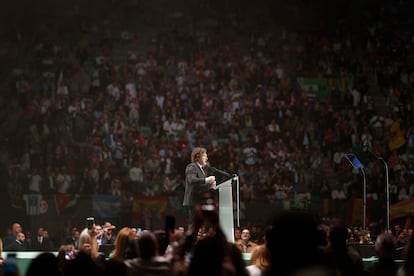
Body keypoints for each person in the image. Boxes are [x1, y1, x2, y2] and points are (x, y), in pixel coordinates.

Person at [182, 147, 216, 230]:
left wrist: (210, 185)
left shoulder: (201, 170)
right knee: (193, 223)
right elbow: (192, 180)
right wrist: (207, 180)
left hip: (198, 200)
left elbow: (200, 186)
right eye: (205, 156)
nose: (207, 158)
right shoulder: (192, 166)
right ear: (198, 157)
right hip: (193, 200)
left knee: (198, 223)